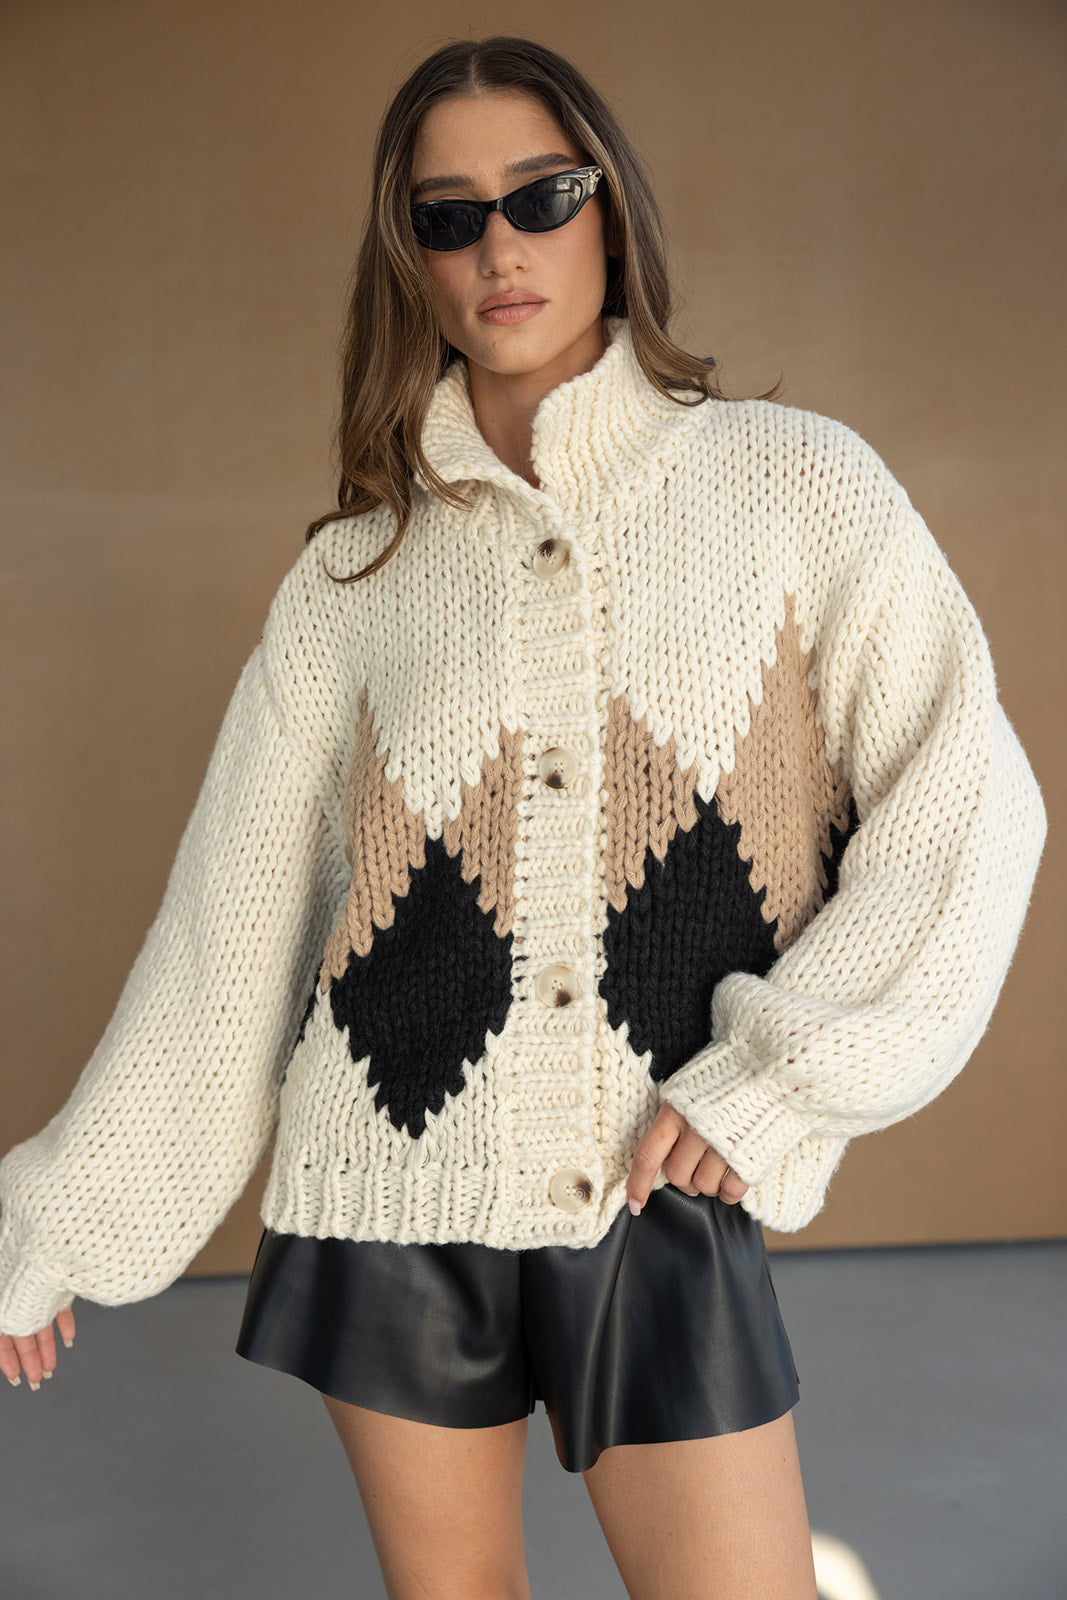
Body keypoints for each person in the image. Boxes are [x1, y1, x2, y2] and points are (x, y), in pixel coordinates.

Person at [0, 32, 1047, 1600]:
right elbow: (231, 935)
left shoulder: (795, 489)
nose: (501, 245)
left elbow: (965, 804)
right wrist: (54, 1221)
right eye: (450, 215)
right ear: (411, 260)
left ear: (609, 211)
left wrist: (786, 1075)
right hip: (387, 1189)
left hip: (653, 1186)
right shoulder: (350, 580)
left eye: (541, 195)